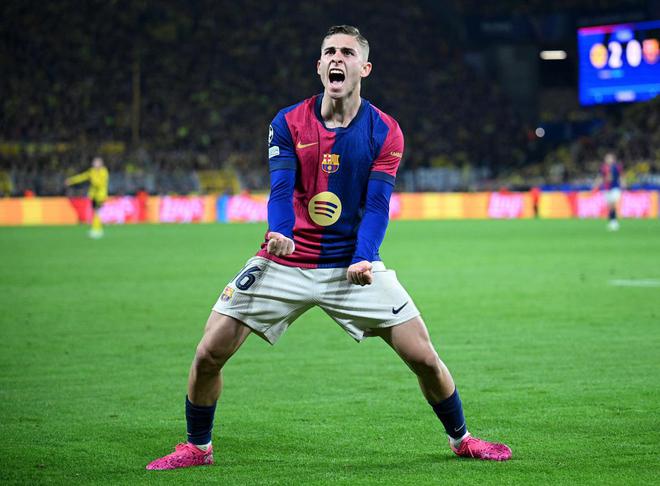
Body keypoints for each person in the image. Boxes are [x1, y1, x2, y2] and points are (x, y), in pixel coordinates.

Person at [146, 25, 511, 471]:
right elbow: (281, 189)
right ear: (319, 66)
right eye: (330, 52)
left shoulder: (385, 131)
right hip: (285, 259)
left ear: (364, 67)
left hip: (350, 265)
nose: (337, 58)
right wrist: (280, 232)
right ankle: (197, 448)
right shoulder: (287, 122)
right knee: (209, 352)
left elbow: (377, 205)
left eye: (347, 52)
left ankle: (462, 439)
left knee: (423, 356)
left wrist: (364, 255)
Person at [65, 156, 109, 238]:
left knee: (97, 212)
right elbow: (82, 177)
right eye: (94, 162)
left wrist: (93, 179)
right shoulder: (92, 171)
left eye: (97, 162)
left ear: (101, 164)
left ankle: (96, 230)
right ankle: (97, 229)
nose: (95, 164)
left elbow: (100, 183)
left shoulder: (104, 171)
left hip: (100, 195)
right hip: (93, 195)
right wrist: (72, 180)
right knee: (95, 212)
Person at [593, 151, 624, 231]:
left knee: (613, 204)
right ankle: (612, 221)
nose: (608, 160)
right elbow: (600, 177)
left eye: (610, 158)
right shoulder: (603, 168)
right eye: (607, 158)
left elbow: (621, 176)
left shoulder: (617, 167)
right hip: (606, 189)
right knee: (609, 206)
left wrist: (623, 183)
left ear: (613, 159)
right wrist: (596, 185)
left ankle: (614, 221)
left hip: (615, 188)